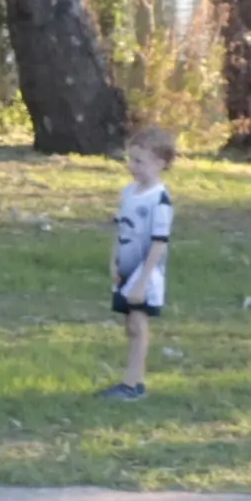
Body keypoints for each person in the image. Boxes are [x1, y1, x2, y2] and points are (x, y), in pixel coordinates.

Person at [102, 124, 176, 401]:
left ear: (160, 163)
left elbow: (159, 244)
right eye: (130, 159)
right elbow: (121, 230)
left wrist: (143, 281)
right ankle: (132, 382)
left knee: (137, 325)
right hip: (126, 270)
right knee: (130, 325)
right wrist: (114, 261)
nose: (131, 166)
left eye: (139, 161)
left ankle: (132, 384)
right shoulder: (128, 193)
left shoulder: (160, 201)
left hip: (144, 274)